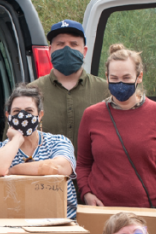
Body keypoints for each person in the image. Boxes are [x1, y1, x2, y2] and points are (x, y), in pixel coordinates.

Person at [77, 44, 156, 232]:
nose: (120, 84)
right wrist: (86, 192)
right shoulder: (91, 115)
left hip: (148, 214)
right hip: (103, 215)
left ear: (139, 77)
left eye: (126, 78)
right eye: (114, 78)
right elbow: (83, 164)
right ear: (106, 77)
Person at [0, 83, 78, 219]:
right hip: (15, 225)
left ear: (40, 115)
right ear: (8, 115)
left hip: (60, 224)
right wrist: (16, 140)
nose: (22, 116)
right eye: (16, 111)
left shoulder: (59, 142)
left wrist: (13, 170)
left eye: (29, 111)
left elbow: (59, 168)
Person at [29, 20, 109, 153]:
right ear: (50, 51)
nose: (67, 49)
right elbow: (13, 142)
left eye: (73, 44)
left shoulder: (106, 91)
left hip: (93, 173)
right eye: (60, 44)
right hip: (45, 172)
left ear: (84, 51)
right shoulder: (30, 92)